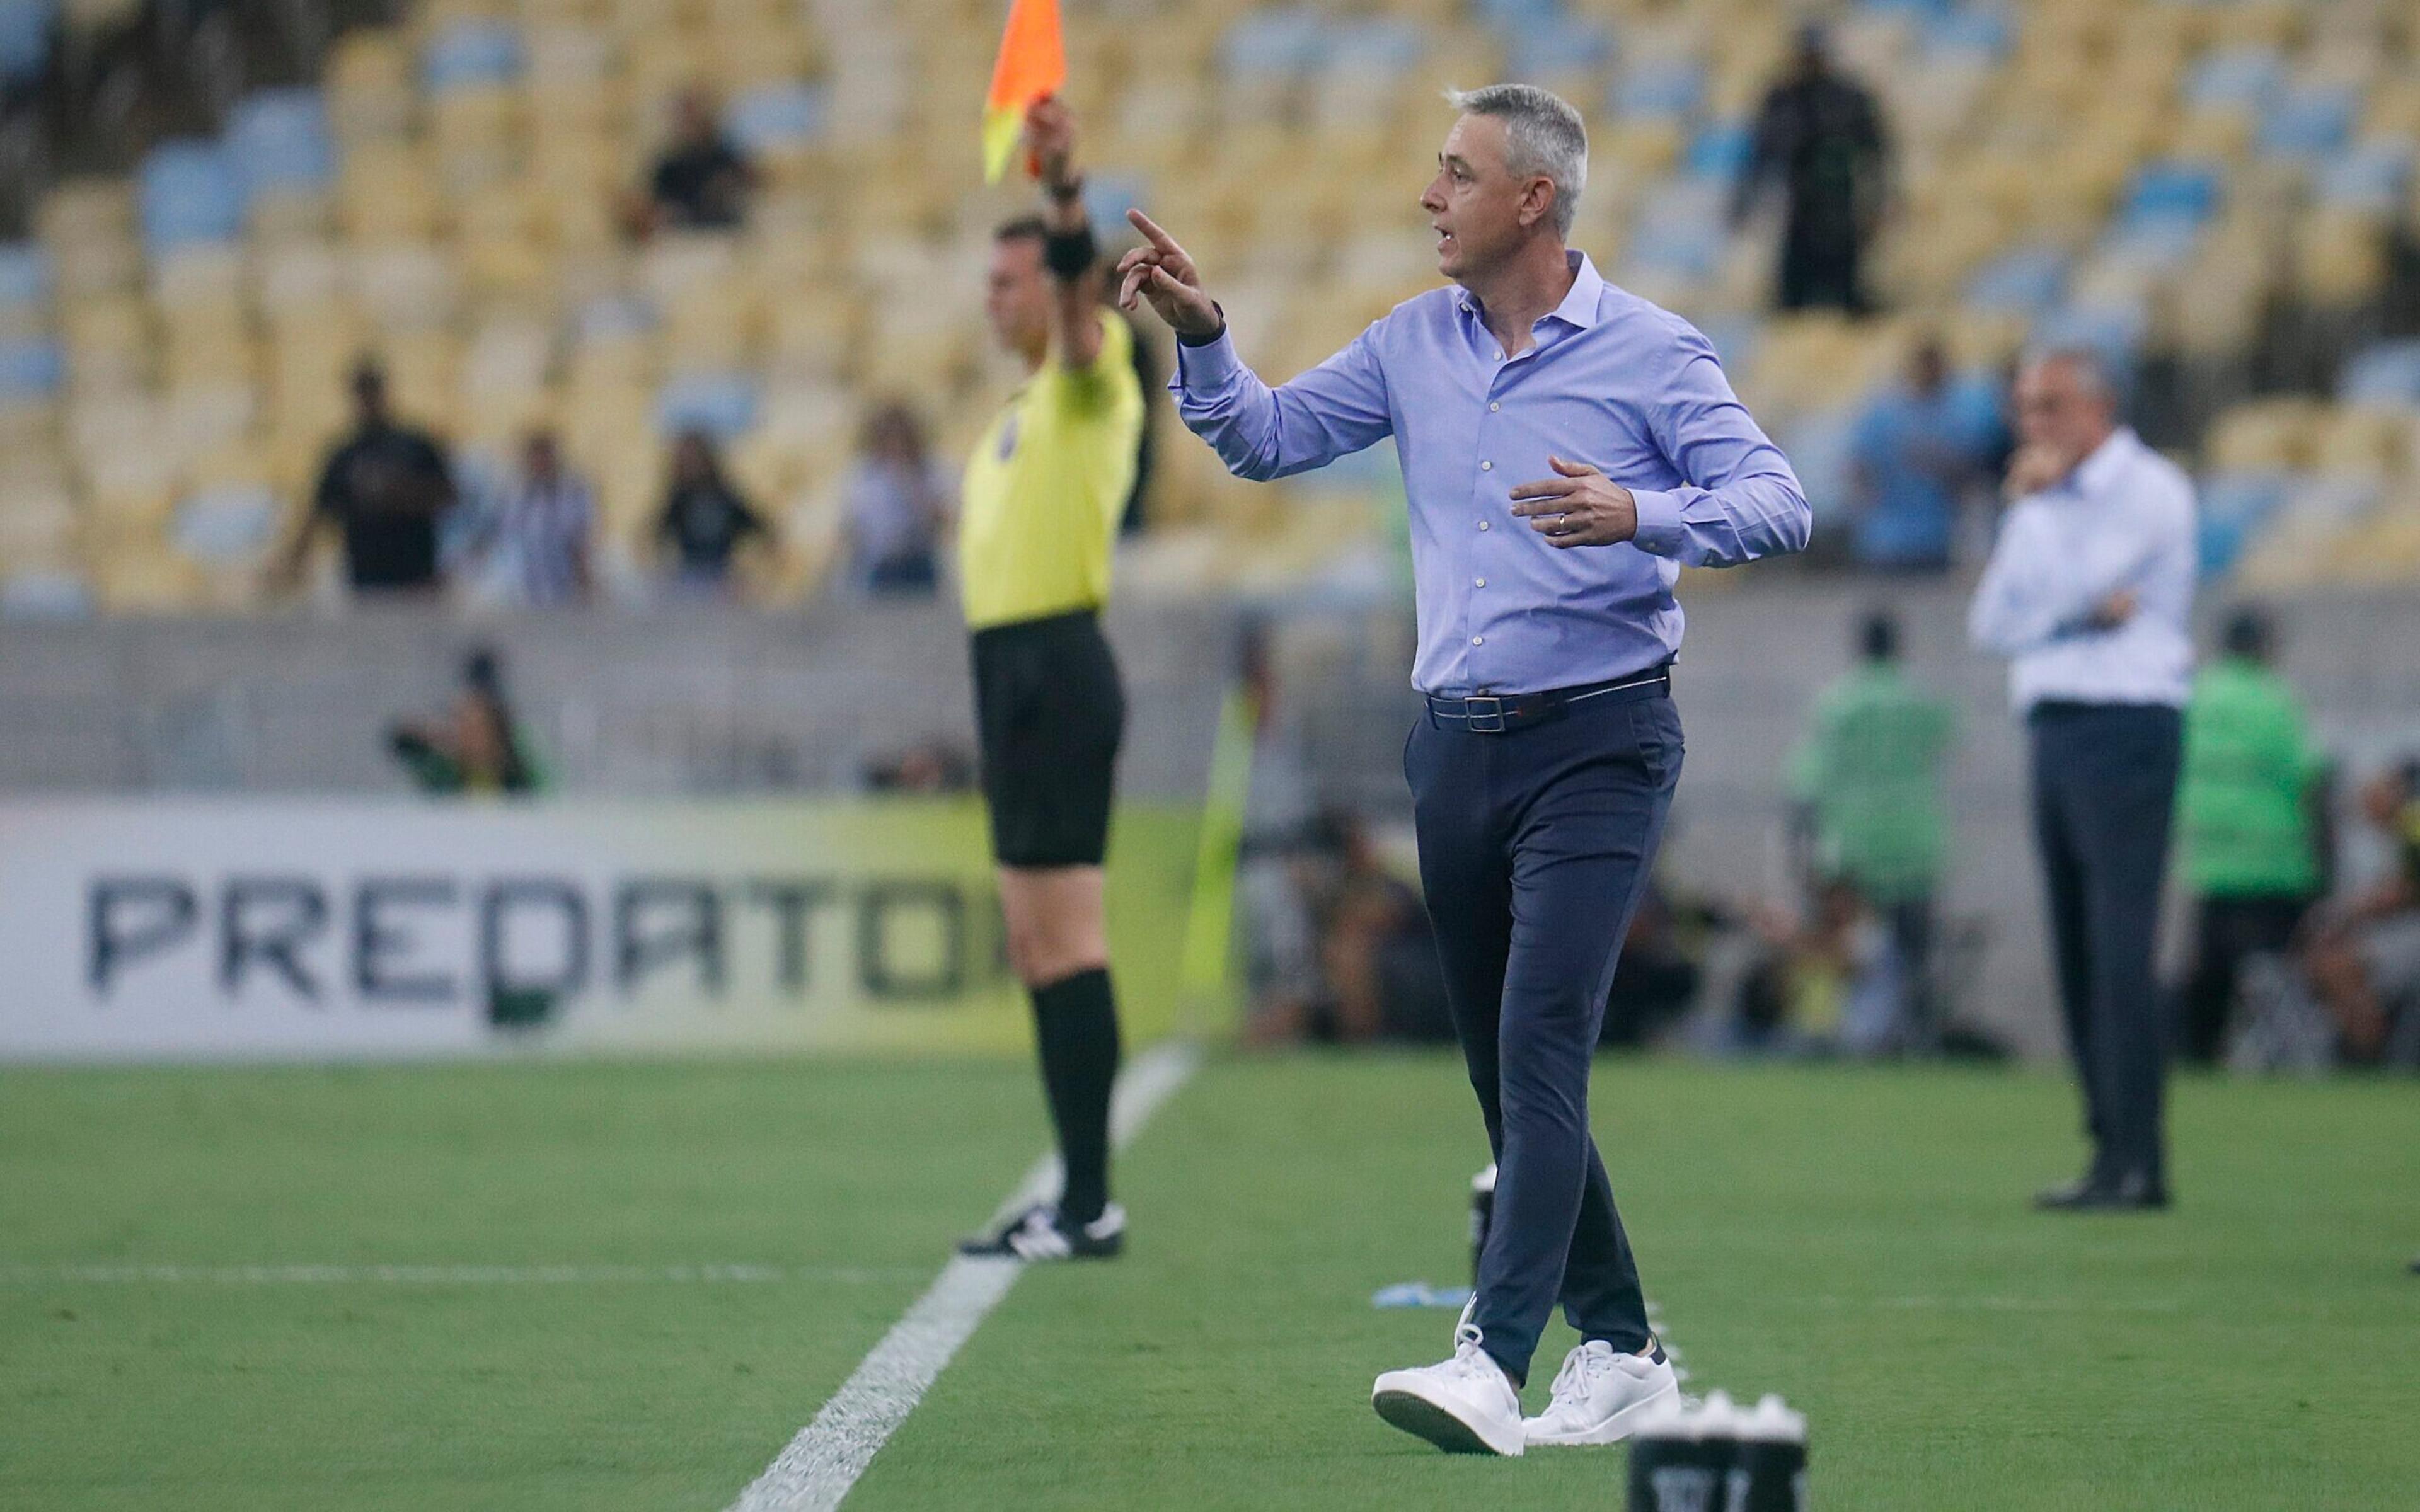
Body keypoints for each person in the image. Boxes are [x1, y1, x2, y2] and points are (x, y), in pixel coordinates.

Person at [1120, 83, 1809, 1454]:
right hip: (1455, 749)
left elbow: (1778, 504)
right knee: (1508, 1069)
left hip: (1601, 738)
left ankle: (1493, 1360)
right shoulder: (1406, 344)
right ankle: (1621, 1348)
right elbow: (1263, 438)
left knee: (1541, 1042)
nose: (1430, 196)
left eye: (1455, 173)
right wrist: (1203, 340)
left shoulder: (1656, 355)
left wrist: (1642, 513)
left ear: (1532, 201)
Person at [951, 98, 1148, 1264]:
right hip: (1011, 670)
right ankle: (1077, 1195)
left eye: (1009, 281)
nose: (995, 297)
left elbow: (1082, 313)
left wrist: (1069, 192)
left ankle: (1088, 1202)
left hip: (1057, 667)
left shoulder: (1093, 377)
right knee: (1036, 946)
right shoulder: (1019, 410)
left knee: (1068, 941)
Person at [1969, 347, 2197, 1212]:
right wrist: (2070, 607)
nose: (2035, 426)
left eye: (2051, 405)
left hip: (2127, 724)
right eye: (2026, 408)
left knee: (2120, 944)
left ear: (2099, 406)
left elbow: (2072, 587)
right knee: (2074, 945)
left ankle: (2142, 1156)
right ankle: (2107, 1147)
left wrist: (2051, 568)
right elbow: (1992, 623)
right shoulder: (2046, 507)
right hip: (2056, 725)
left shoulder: (2150, 490)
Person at [1787, 611, 1956, 1048]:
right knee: (1914, 954)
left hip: (1854, 848)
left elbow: (1805, 782)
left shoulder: (1838, 704)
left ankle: (1846, 1039)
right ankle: (1917, 1043)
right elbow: (1948, 745)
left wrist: (1802, 851)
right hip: (1915, 844)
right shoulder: (1923, 700)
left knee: (1849, 954)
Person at [2174, 607, 2329, 1063]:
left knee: (2212, 973)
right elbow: (2311, 780)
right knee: (2274, 975)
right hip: (2274, 863)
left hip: (2211, 861)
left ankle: (2199, 1059)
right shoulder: (2275, 699)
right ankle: (2290, 1059)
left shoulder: (2195, 698)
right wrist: (2324, 868)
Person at [1730, 23, 1891, 315]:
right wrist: (1744, 202)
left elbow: (1877, 154)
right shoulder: (1784, 100)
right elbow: (1760, 155)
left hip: (1841, 211)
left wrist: (1879, 203)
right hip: (1801, 212)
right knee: (1792, 301)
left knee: (1847, 298)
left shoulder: (1848, 99)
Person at [272, 360, 458, 596]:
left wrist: (399, 493)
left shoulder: (415, 446)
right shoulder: (344, 454)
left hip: (416, 579)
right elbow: (319, 512)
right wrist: (292, 563)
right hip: (366, 581)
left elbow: (448, 495)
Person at [1845, 338, 2002, 571]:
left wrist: (1939, 461)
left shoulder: (1961, 413)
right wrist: (1865, 509)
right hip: (1884, 540)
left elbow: (1974, 475)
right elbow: (1857, 468)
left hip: (1937, 539)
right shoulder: (1883, 414)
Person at [2303, 759, 2420, 1067]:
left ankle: (2371, 1052)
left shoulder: (2412, 828)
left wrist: (2352, 911)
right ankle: (2367, 1044)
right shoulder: (2380, 840)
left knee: (2337, 964)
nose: (2366, 807)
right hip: (2392, 936)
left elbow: (2405, 893)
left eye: (2373, 797)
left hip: (2408, 937)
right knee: (2328, 960)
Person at [388, 647, 540, 794]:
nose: (469, 736)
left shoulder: (517, 777)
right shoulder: (444, 775)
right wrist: (431, 737)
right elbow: (403, 744)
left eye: (478, 729)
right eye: (463, 727)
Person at [839, 402, 952, 595]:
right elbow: (852, 526)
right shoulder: (865, 475)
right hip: (880, 566)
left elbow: (941, 519)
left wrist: (910, 481)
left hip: (918, 563)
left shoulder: (929, 471)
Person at [479, 429, 594, 608]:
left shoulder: (572, 491)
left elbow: (579, 535)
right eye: (536, 456)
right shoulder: (513, 492)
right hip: (519, 582)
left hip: (559, 579)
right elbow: (500, 533)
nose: (541, 462)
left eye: (545, 456)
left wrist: (584, 577)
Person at [654, 429, 768, 594]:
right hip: (689, 578)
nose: (690, 465)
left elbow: (759, 528)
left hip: (722, 578)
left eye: (694, 459)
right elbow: (657, 534)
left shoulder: (726, 497)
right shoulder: (679, 499)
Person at [642, 89, 756, 232]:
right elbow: (656, 207)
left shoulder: (727, 158)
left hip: (726, 237)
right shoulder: (668, 167)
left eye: (694, 115)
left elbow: (748, 191)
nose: (690, 123)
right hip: (683, 240)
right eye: (684, 117)